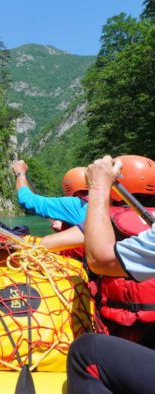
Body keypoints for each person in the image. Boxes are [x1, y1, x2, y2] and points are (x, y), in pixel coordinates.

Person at [67, 155, 155, 394]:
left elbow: (99, 259)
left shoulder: (110, 218)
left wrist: (98, 187)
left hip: (125, 327)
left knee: (86, 351)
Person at [12, 160, 89, 227]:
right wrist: (65, 226)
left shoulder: (74, 204)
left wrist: (20, 174)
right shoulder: (97, 204)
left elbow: (27, 200)